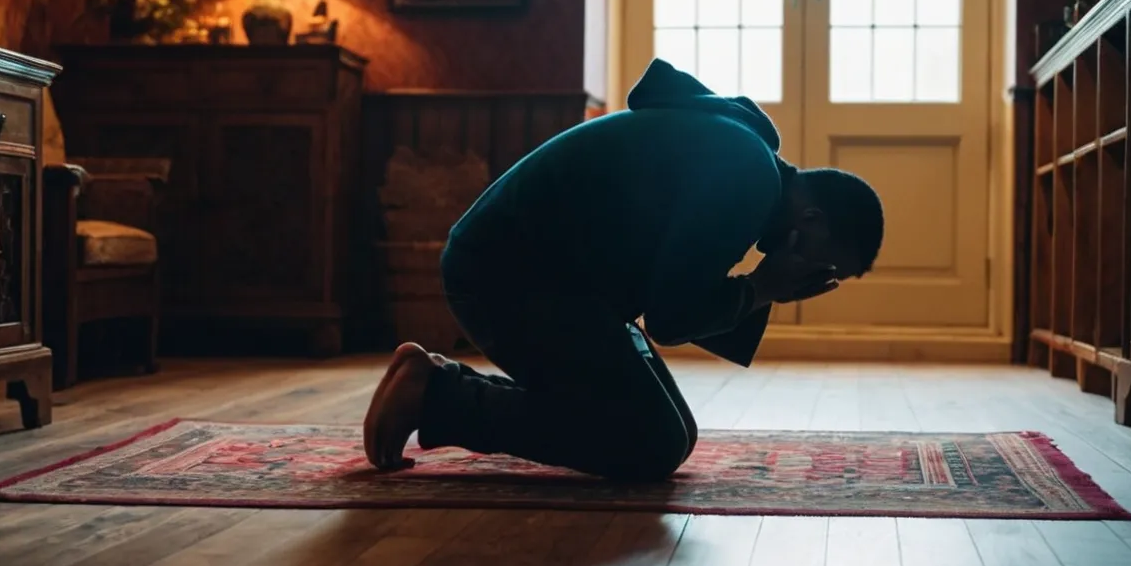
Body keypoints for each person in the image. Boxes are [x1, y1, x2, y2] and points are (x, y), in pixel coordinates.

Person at [364, 59, 884, 481]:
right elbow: (670, 317)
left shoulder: (747, 159)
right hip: (505, 278)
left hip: (554, 284)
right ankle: (435, 398)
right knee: (649, 442)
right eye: (827, 266)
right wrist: (763, 288)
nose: (815, 279)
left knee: (675, 432)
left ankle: (436, 386)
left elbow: (671, 292)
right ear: (812, 219)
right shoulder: (747, 175)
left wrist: (758, 290)